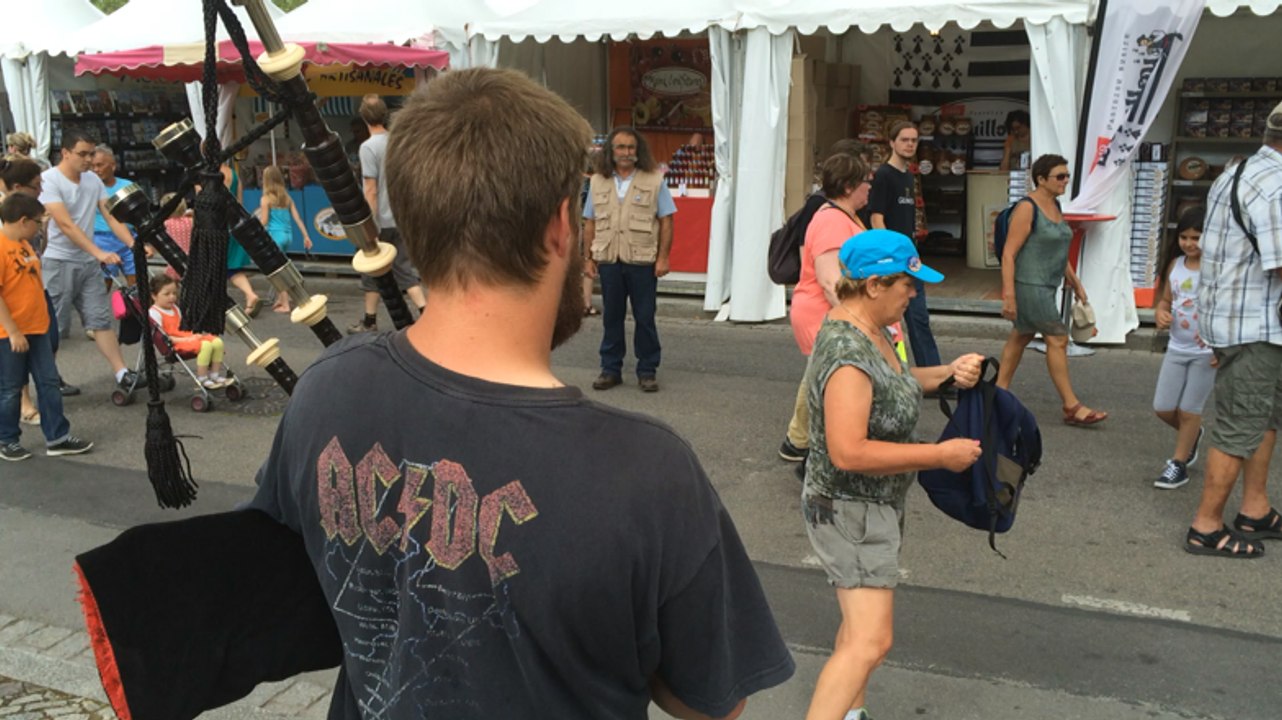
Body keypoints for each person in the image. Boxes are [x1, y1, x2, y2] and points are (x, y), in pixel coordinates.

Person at [247, 67, 794, 718]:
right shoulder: (647, 471)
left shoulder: (326, 387)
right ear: (562, 227)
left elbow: (299, 582)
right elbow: (710, 702)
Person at [801, 229, 982, 720]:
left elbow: (895, 384)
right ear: (875, 284)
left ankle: (851, 713)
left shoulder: (871, 330)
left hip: (868, 505)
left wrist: (947, 372)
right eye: (907, 283)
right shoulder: (848, 353)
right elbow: (848, 452)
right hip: (849, 507)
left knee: (856, 630)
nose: (914, 293)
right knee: (871, 641)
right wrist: (939, 455)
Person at [1184, 101, 1282, 559]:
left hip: (1235, 318)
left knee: (1263, 416)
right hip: (1255, 324)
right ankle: (1206, 526)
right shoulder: (1276, 186)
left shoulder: (1238, 171)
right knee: (1240, 422)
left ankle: (1255, 510)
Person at [995, 153, 1107, 426]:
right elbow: (1009, 254)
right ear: (1041, 179)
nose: (1065, 181)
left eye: (1067, 176)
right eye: (1060, 176)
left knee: (1020, 336)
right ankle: (1071, 405)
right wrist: (1008, 294)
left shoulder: (1055, 205)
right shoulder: (1027, 208)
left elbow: (1058, 249)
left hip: (1046, 285)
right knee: (1057, 339)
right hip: (1029, 285)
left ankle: (997, 394)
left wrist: (1076, 282)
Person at [780, 153, 871, 466]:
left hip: (825, 311)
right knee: (831, 379)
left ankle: (799, 441)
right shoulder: (832, 219)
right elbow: (830, 281)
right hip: (822, 311)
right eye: (865, 181)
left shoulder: (840, 214)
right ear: (848, 187)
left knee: (819, 375)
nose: (870, 187)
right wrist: (859, 319)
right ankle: (815, 450)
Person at [38, 131, 140, 391]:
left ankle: (122, 373)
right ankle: (50, 378)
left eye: (91, 153)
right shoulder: (49, 180)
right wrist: (99, 252)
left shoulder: (92, 181)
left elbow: (111, 216)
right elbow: (65, 224)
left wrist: (133, 244)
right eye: (82, 154)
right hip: (58, 261)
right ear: (66, 153)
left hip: (87, 263)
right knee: (55, 327)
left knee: (100, 319)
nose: (88, 159)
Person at [0, 193, 93, 462]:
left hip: (37, 326)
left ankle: (57, 437)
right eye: (37, 223)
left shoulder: (24, 244)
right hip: (10, 332)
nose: (39, 228)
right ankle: (7, 438)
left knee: (48, 381)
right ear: (23, 221)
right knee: (9, 387)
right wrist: (14, 331)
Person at [583, 126, 676, 393]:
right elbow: (589, 222)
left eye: (631, 148)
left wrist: (663, 258)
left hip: (642, 259)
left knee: (645, 316)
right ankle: (610, 369)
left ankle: (647, 370)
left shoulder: (654, 180)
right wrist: (587, 257)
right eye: (621, 148)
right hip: (610, 259)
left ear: (638, 151)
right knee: (611, 316)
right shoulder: (598, 181)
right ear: (611, 151)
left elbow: (666, 220)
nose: (626, 153)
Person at [348, 94, 427, 334]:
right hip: (401, 217)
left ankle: (370, 322)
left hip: (380, 220)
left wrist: (369, 224)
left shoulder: (368, 147)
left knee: (372, 269)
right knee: (403, 267)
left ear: (364, 118)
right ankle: (424, 313)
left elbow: (370, 189)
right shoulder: (398, 143)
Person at [868, 121, 940, 370]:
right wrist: (890, 254)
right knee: (889, 319)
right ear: (891, 142)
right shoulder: (884, 176)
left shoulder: (908, 175)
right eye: (904, 140)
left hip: (910, 258)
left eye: (914, 140)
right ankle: (884, 370)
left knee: (919, 318)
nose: (910, 144)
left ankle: (933, 374)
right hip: (892, 260)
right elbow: (876, 218)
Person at [1152, 207, 1214, 490]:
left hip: (1206, 353)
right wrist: (1160, 313)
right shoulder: (1175, 264)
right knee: (1163, 408)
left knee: (1190, 409)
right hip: (1177, 347)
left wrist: (1218, 345)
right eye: (1184, 237)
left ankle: (1178, 464)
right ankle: (1192, 435)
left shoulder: (1216, 268)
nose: (1190, 243)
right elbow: (1165, 300)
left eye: (1196, 237)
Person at [148, 275, 227, 389]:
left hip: (186, 336)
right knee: (206, 345)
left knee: (217, 342)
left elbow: (183, 326)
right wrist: (188, 339)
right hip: (175, 342)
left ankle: (215, 375)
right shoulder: (154, 313)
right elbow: (164, 337)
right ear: (154, 296)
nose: (172, 297)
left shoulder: (175, 308)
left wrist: (194, 335)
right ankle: (202, 378)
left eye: (174, 293)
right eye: (167, 294)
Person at [256, 166, 312, 312]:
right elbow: (297, 218)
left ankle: (285, 304)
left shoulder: (265, 199)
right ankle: (281, 300)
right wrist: (306, 236)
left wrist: (253, 226)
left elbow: (265, 221)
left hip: (275, 237)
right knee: (282, 268)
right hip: (288, 237)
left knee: (276, 273)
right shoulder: (287, 197)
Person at [220, 160, 263, 317]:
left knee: (218, 266)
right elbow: (239, 201)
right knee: (230, 268)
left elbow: (205, 204)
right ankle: (249, 295)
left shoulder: (207, 175)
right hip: (234, 223)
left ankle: (247, 296)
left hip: (218, 225)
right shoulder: (234, 174)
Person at [91, 145, 138, 292]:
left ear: (112, 166)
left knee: (136, 283)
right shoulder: (88, 188)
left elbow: (139, 216)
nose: (95, 170)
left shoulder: (128, 186)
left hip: (127, 238)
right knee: (103, 286)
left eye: (99, 165)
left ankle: (137, 312)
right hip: (101, 239)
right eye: (92, 166)